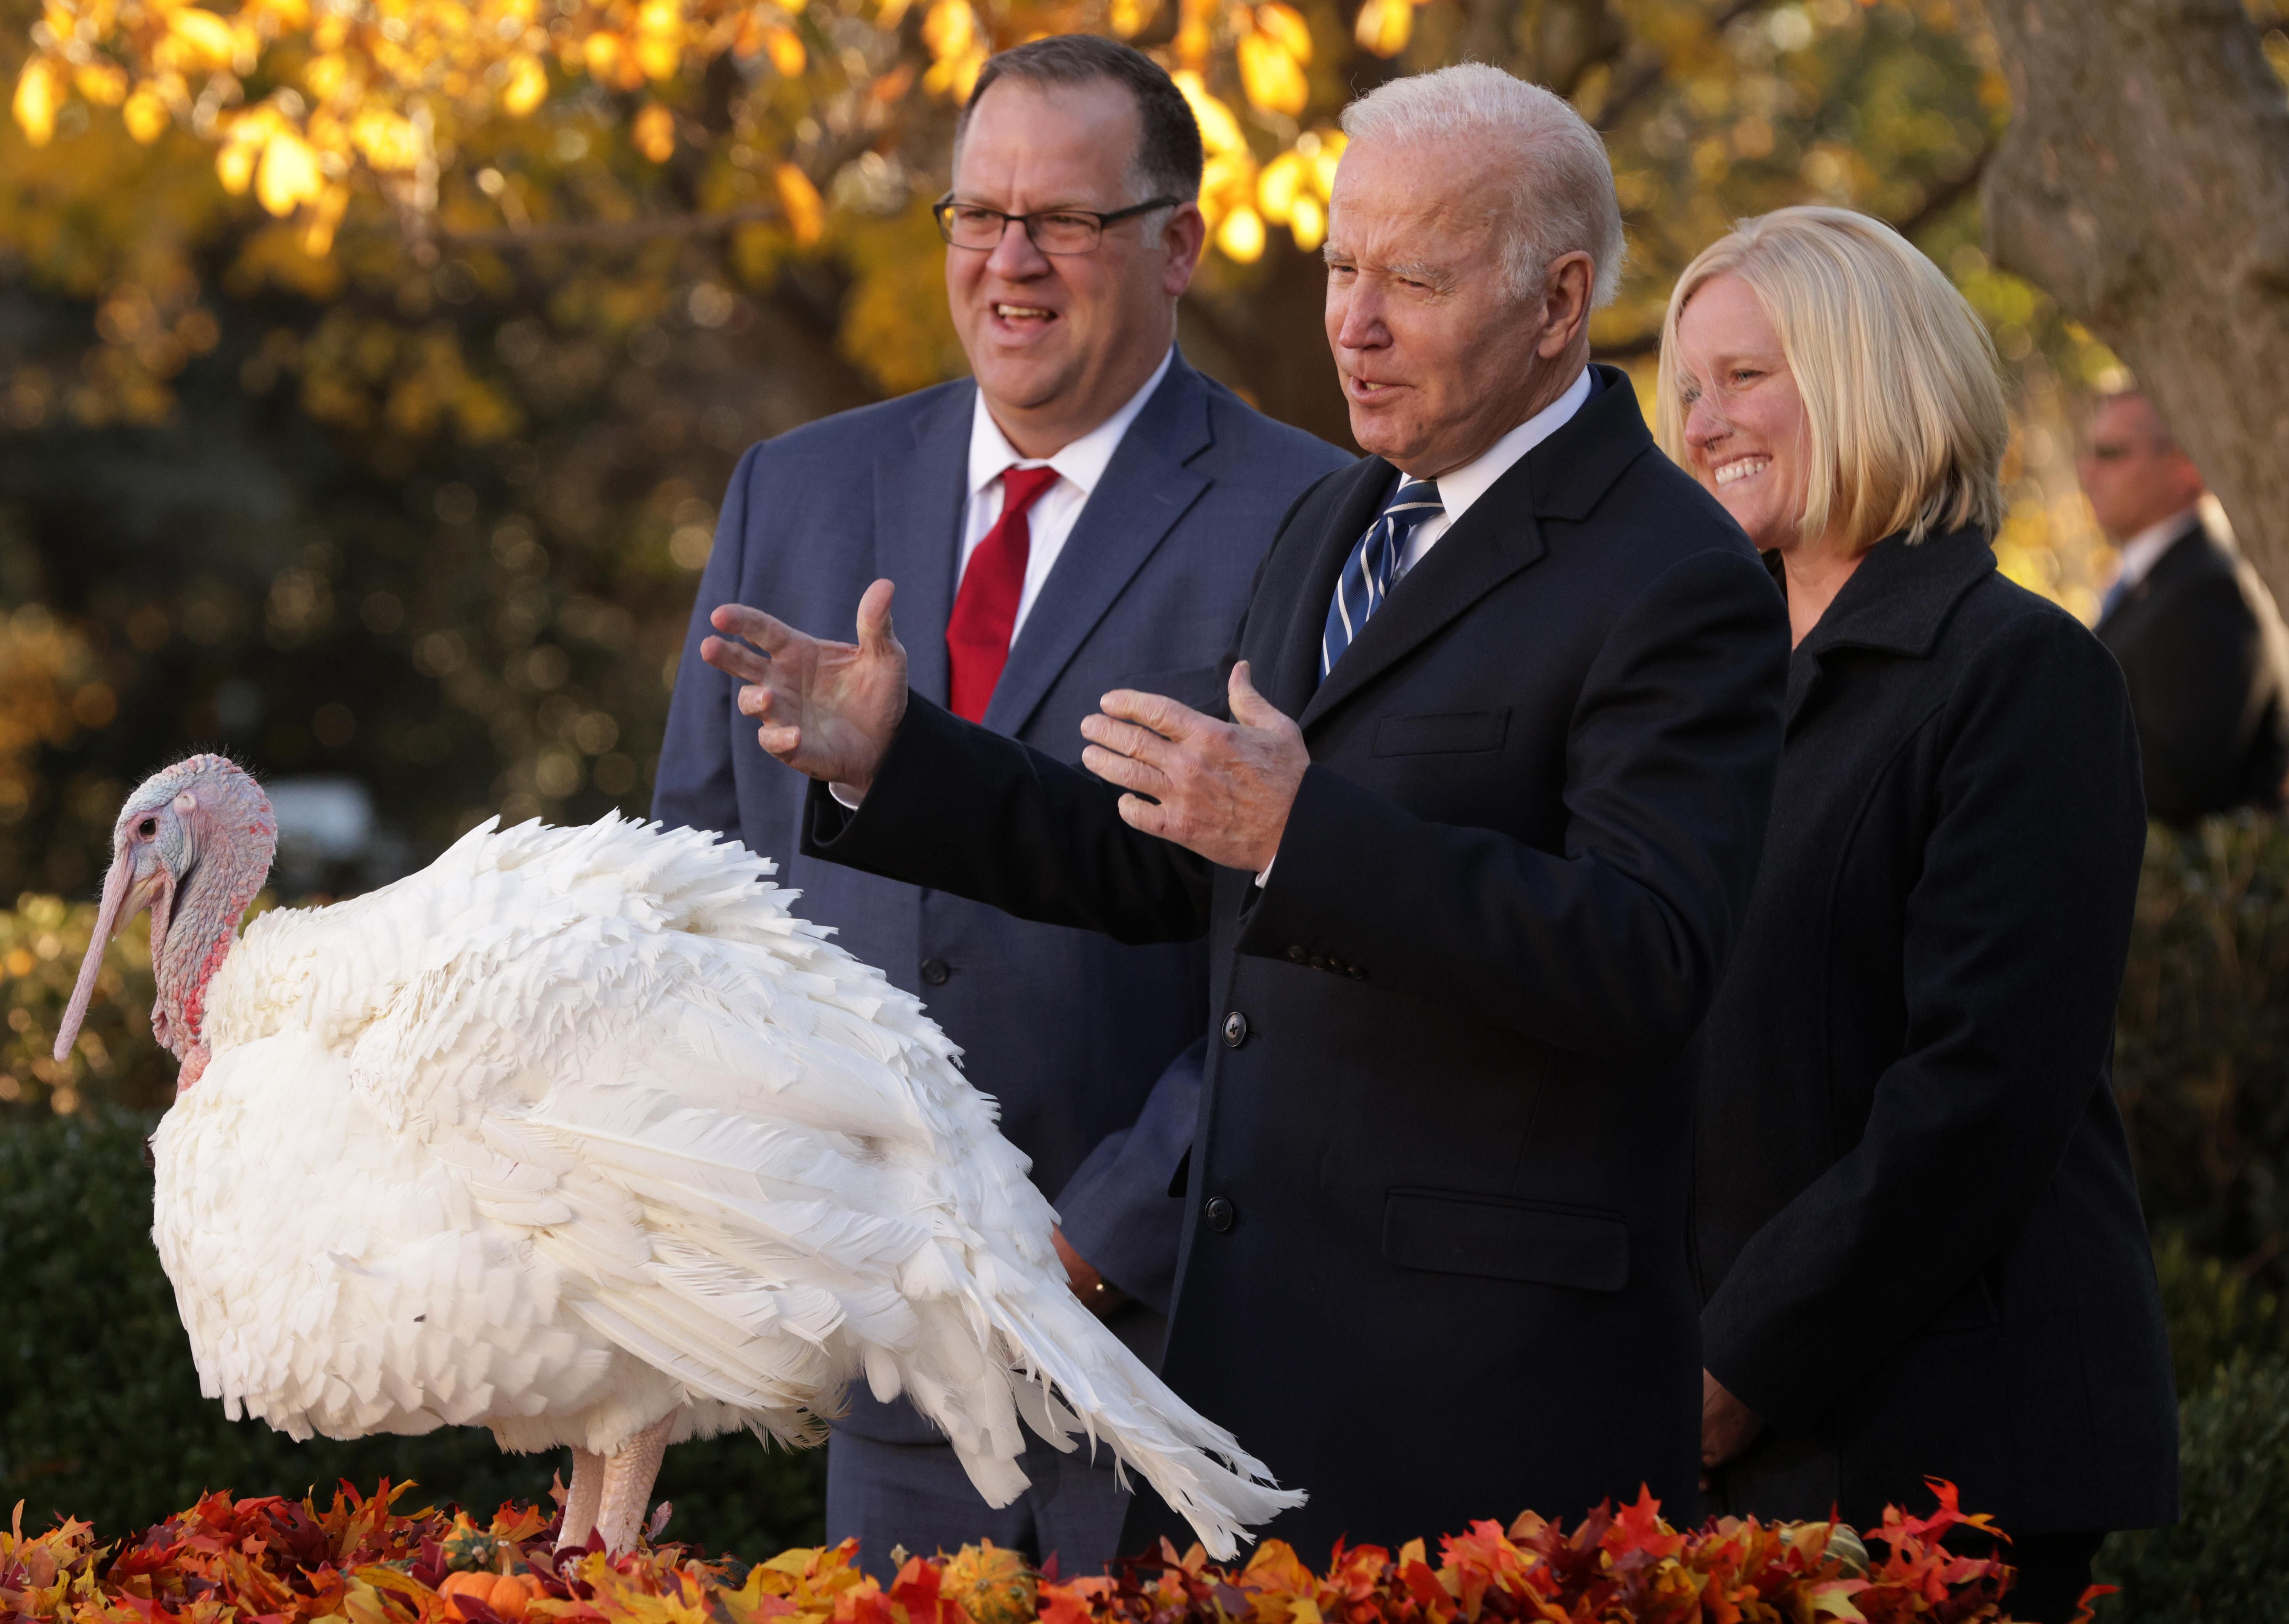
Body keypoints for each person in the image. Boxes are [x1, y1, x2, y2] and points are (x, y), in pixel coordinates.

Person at [698, 61, 1791, 1553]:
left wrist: (1299, 835)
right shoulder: (1349, 518)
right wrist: (899, 762)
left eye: (1409, 278)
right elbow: (1171, 856)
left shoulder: (1673, 573)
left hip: (1478, 1409)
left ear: (1555, 305)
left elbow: (1648, 958)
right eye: (1341, 267)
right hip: (1247, 1377)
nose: (1350, 319)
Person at [649, 33, 1351, 1577]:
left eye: (1064, 222)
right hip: (891, 1367)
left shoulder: (1306, 513)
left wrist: (1107, 1231)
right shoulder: (796, 488)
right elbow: (694, 886)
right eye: (977, 215)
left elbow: (1309, 951)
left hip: (1173, 1348)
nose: (1010, 262)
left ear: (1177, 245)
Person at [1659, 206, 2178, 1622]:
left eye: (1745, 376)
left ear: (1864, 373)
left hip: (1929, 1448)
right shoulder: (1690, 684)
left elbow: (1976, 1093)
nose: (1705, 422)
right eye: (1688, 389)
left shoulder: (2018, 674)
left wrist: (1736, 1367)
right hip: (1693, 1424)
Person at [2080, 389, 2289, 826]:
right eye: (2089, 451)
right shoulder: (2159, 578)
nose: (2087, 472)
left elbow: (2177, 789)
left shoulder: (2211, 590)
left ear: (2187, 465)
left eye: (2111, 452)